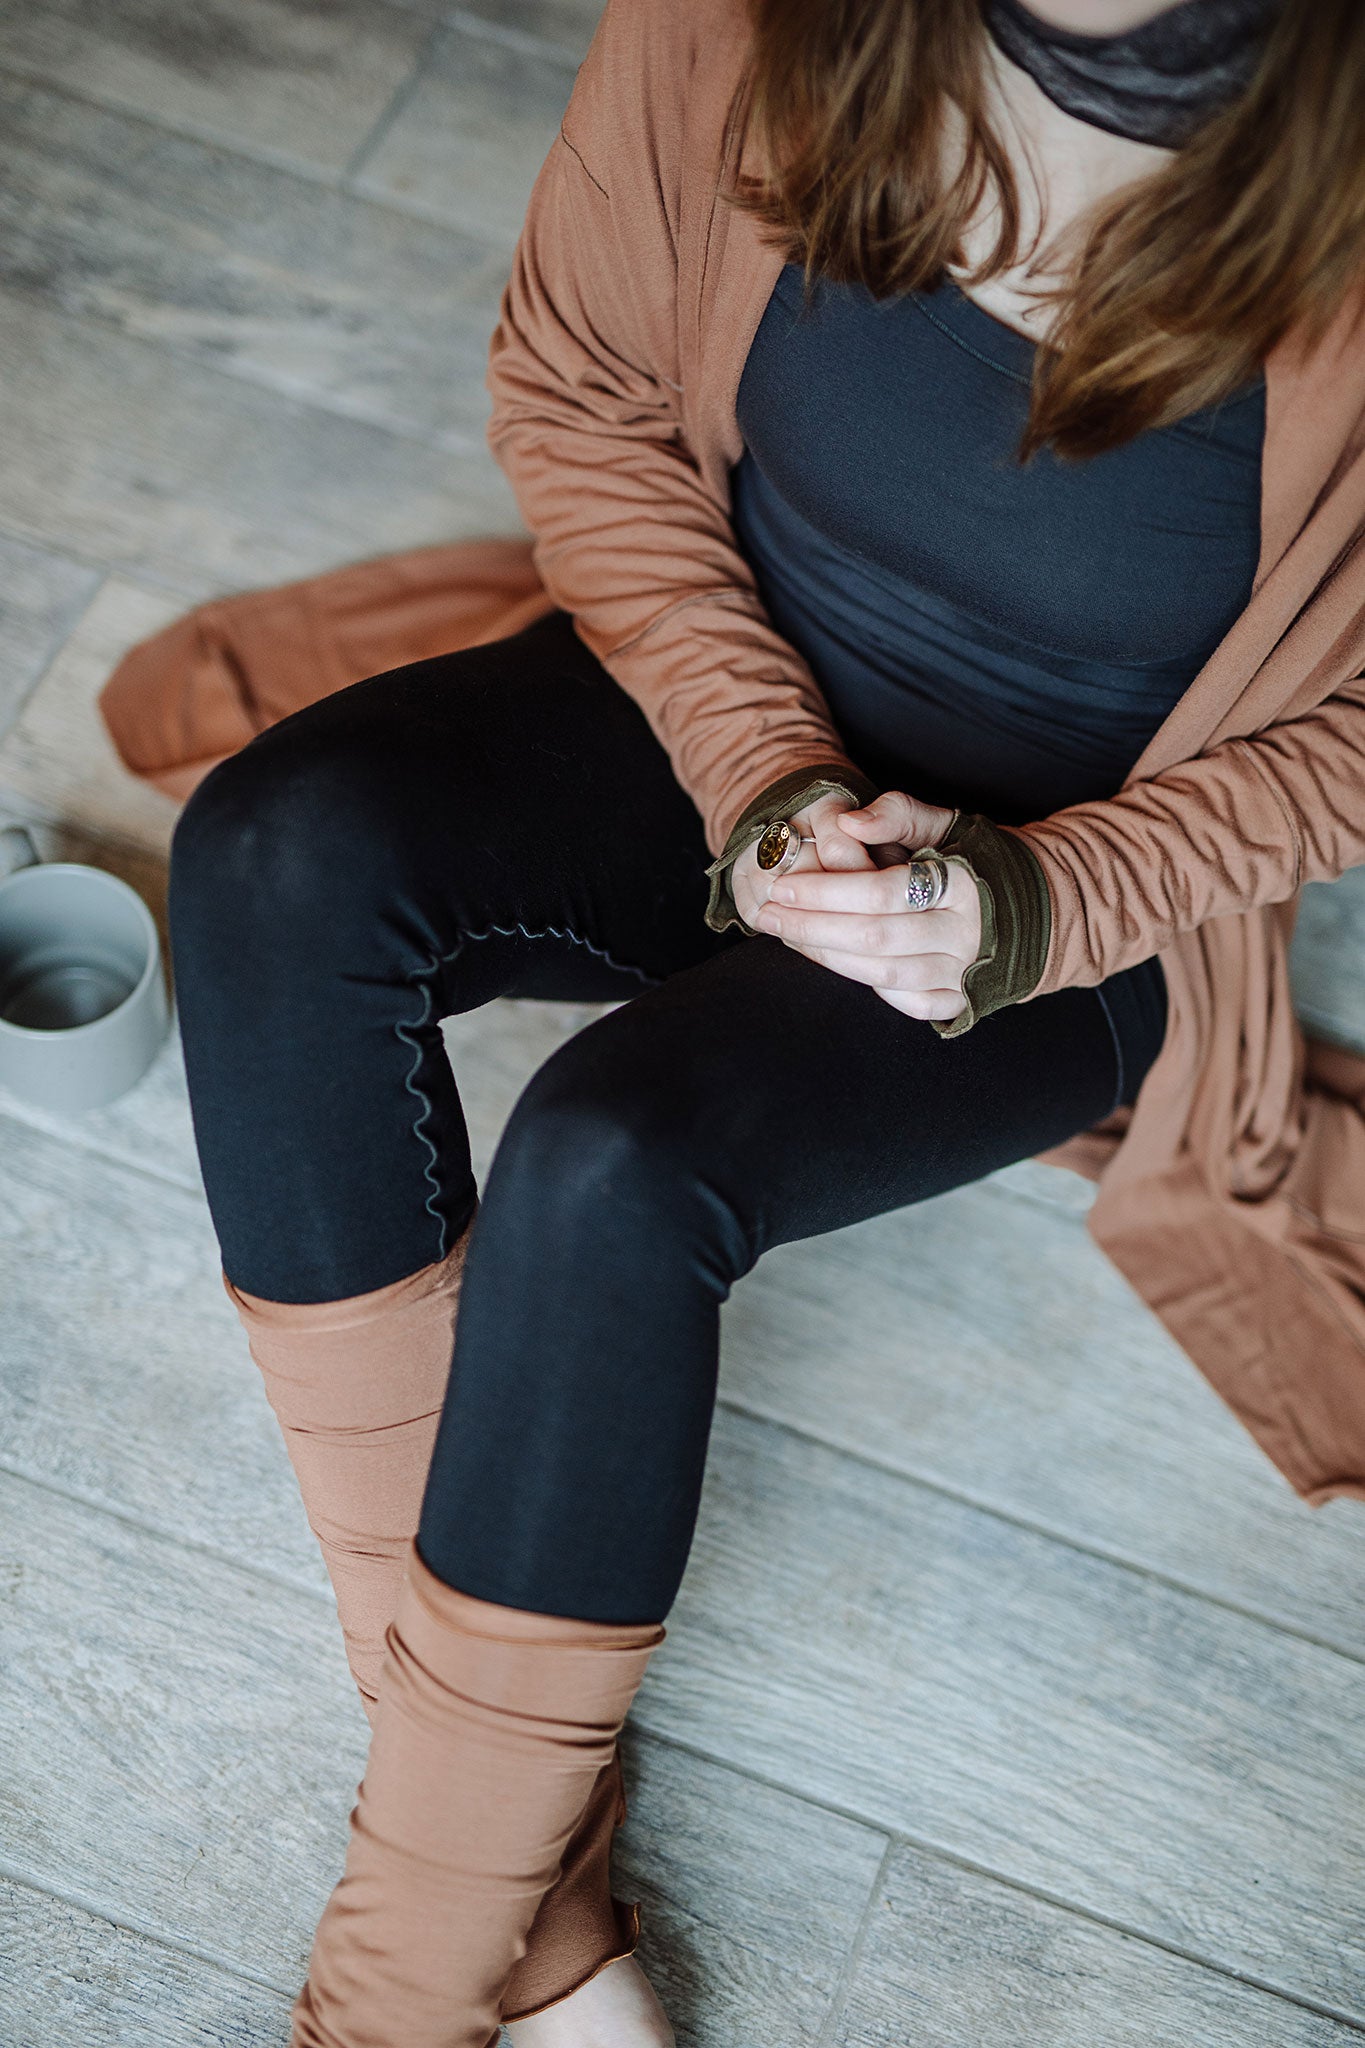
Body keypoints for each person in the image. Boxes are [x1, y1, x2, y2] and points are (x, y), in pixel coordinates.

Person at [164, 0, 1365, 2041]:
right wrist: (760, 783)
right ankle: (517, 1899)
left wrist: (1032, 899)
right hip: (733, 717)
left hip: (1085, 894)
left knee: (615, 1159)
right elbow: (576, 390)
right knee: (276, 853)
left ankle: (392, 1986)